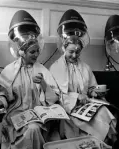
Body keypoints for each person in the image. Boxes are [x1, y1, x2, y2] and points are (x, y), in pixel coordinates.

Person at [0, 10, 60, 149]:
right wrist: (0, 101)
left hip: (39, 115)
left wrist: (43, 83)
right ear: (22, 52)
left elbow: (54, 98)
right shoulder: (9, 70)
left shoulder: (42, 70)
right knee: (32, 128)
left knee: (35, 127)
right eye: (32, 52)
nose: (36, 55)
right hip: (16, 116)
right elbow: (0, 95)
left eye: (37, 51)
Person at [49, 9, 117, 145]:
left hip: (87, 106)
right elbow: (54, 97)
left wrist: (94, 92)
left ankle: (106, 143)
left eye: (77, 52)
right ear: (64, 48)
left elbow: (92, 86)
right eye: (71, 52)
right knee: (79, 125)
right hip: (68, 110)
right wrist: (76, 97)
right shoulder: (54, 68)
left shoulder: (85, 67)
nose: (74, 56)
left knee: (104, 111)